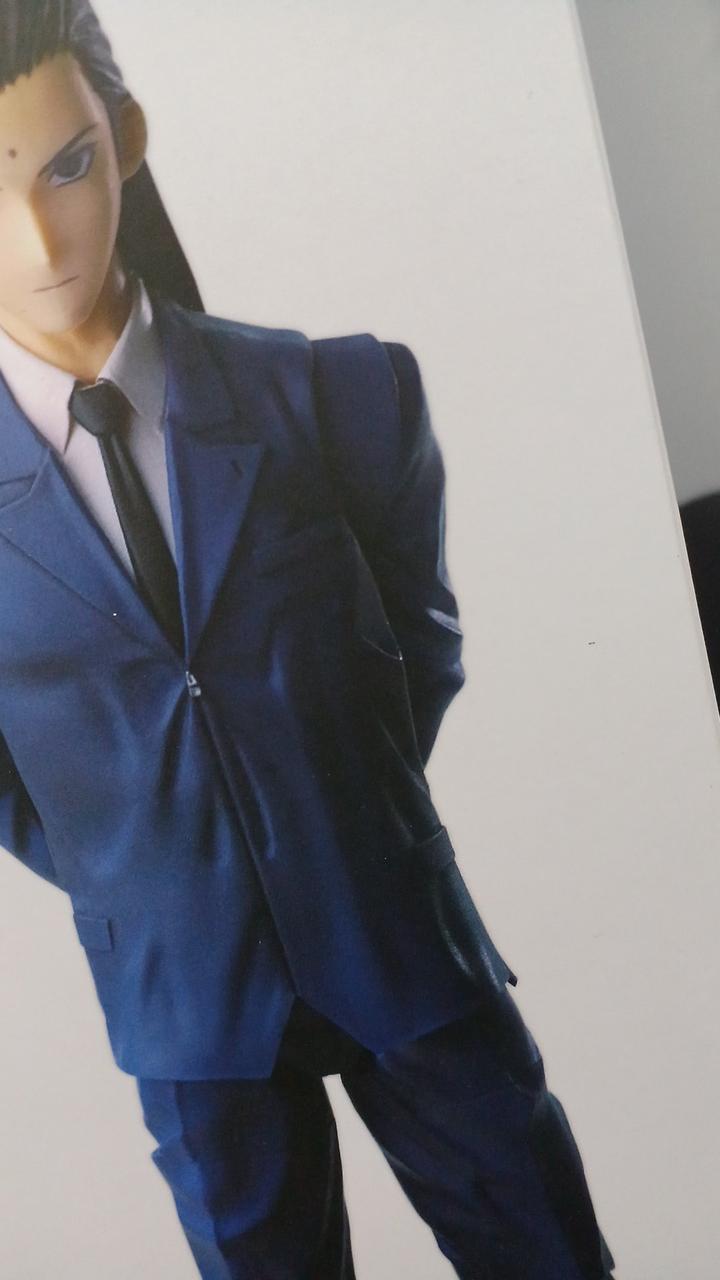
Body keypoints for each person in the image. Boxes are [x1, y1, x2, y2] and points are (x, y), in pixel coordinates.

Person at [0, 3, 616, 1277]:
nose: (39, 237)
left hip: (401, 941)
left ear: (127, 138)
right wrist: (143, 865)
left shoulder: (333, 393)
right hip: (187, 1005)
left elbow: (419, 642)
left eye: (68, 164)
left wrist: (341, 805)